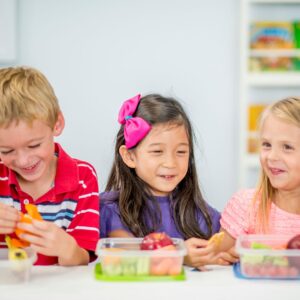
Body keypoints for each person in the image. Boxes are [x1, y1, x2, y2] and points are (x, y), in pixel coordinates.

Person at [101, 93, 237, 268]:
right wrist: (179, 255)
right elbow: (125, 256)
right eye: (157, 151)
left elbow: (227, 249)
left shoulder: (201, 214)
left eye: (181, 152)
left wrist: (225, 252)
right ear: (129, 156)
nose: (171, 163)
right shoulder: (109, 211)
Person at [0, 66, 99, 265]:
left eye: (34, 145)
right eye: (6, 151)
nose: (23, 160)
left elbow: (82, 259)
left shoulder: (83, 177)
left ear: (57, 124)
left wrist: (66, 247)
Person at [220, 97, 300, 251]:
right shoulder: (245, 206)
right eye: (266, 145)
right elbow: (215, 261)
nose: (272, 156)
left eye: (287, 147)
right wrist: (226, 257)